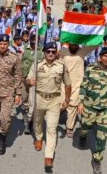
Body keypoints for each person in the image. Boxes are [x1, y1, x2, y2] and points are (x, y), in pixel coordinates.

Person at [27, 42, 72, 173]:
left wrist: (67, 99)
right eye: (48, 51)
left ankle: (48, 157)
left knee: (52, 128)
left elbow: (68, 84)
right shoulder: (37, 65)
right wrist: (29, 82)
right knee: (37, 122)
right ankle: (39, 138)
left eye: (53, 51)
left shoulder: (61, 66)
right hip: (39, 98)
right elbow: (27, 80)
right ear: (44, 53)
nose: (51, 54)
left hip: (54, 100)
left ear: (56, 52)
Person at [0, 34, 22, 155]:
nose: (2, 46)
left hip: (7, 93)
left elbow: (18, 76)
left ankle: (2, 139)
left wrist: (18, 94)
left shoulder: (14, 57)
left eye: (5, 44)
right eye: (0, 44)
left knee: (5, 119)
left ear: (8, 45)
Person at [58, 44, 97, 138]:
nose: (74, 45)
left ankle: (69, 127)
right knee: (60, 104)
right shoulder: (63, 51)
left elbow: (95, 43)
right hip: (63, 84)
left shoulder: (83, 51)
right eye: (72, 43)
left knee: (73, 106)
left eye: (76, 44)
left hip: (77, 84)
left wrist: (103, 33)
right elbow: (56, 60)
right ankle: (57, 116)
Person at [20, 34, 43, 134]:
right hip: (24, 80)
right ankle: (25, 117)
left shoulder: (41, 52)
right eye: (32, 40)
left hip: (35, 81)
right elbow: (20, 63)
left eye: (35, 40)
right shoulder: (25, 49)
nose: (34, 42)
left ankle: (29, 124)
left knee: (33, 103)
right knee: (24, 101)